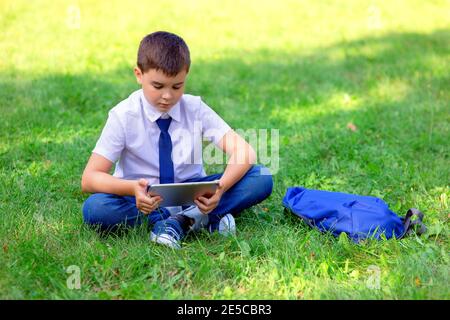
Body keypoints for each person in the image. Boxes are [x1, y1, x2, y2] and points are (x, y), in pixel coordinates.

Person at [81, 31, 273, 249]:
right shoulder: (124, 115)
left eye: (177, 86)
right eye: (158, 86)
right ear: (139, 74)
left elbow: (244, 152)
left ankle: (178, 222)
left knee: (261, 177)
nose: (168, 96)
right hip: (143, 199)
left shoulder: (194, 108)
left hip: (193, 194)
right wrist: (132, 189)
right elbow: (89, 178)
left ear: (186, 76)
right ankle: (198, 220)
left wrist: (219, 189)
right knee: (95, 208)